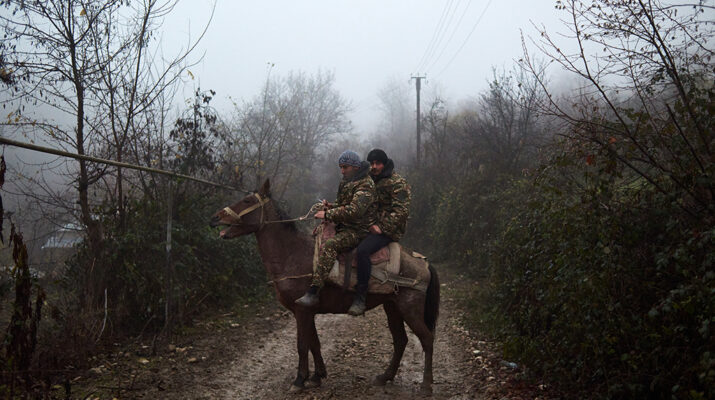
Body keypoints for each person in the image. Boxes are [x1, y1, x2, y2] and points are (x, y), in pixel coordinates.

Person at [295, 150, 377, 307]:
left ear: (355, 167)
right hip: (345, 224)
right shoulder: (347, 181)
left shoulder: (366, 185)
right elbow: (343, 204)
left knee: (330, 245)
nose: (342, 171)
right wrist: (330, 206)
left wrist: (327, 214)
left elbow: (355, 211)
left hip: (358, 230)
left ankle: (314, 292)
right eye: (341, 167)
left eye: (345, 167)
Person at [348, 149, 411, 316]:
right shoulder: (369, 180)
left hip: (388, 230)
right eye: (372, 163)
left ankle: (361, 296)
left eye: (378, 163)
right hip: (369, 226)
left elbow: (401, 211)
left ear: (384, 163)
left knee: (363, 250)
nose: (374, 167)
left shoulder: (397, 183)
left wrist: (382, 228)